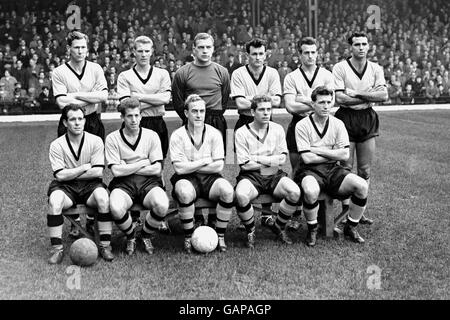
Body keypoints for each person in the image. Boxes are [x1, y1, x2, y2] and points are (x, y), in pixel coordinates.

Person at [294, 87, 368, 246]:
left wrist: (316, 149)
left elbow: (344, 155)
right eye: (321, 102)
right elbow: (306, 158)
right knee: (310, 190)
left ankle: (351, 226)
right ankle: (312, 228)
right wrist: (331, 151)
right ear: (313, 104)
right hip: (309, 171)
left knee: (361, 186)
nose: (326, 106)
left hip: (332, 169)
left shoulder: (338, 124)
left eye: (329, 102)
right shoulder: (302, 125)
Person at [171, 32, 231, 228]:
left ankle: (215, 216)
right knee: (190, 166)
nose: (205, 51)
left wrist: (212, 118)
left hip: (215, 119)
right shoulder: (182, 73)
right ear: (194, 50)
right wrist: (192, 119)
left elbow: (225, 98)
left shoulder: (222, 72)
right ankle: (195, 214)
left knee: (217, 167)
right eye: (201, 47)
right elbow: (179, 101)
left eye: (209, 47)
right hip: (193, 118)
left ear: (213, 49)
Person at [46, 104, 114, 264]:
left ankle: (105, 246)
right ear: (65, 123)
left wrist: (70, 172)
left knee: (103, 198)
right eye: (72, 119)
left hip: (90, 186)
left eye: (80, 119)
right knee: (55, 201)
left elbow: (97, 172)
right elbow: (60, 176)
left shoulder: (96, 141)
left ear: (84, 121)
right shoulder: (56, 145)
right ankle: (57, 250)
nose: (77, 123)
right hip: (66, 188)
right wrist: (83, 167)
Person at [333, 32, 388, 224]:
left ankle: (359, 209)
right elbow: (340, 98)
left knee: (365, 170)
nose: (361, 47)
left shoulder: (375, 68)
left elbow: (383, 95)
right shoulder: (340, 68)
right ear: (350, 47)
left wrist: (356, 93)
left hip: (367, 117)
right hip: (345, 117)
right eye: (357, 44)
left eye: (364, 44)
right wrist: (369, 94)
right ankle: (346, 210)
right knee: (345, 168)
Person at [169, 94, 234, 253]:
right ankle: (188, 237)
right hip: (186, 179)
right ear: (186, 113)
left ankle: (219, 235)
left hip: (210, 178)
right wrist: (204, 161)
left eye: (202, 111)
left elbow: (218, 166)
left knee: (227, 191)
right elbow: (179, 170)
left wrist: (190, 165)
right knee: (184, 193)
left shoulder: (214, 133)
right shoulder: (178, 135)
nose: (199, 115)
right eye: (194, 111)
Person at [234, 95, 301, 249]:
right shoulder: (240, 132)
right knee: (241, 195)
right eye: (262, 110)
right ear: (252, 112)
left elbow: (282, 160)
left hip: (273, 174)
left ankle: (278, 226)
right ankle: (250, 230)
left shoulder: (277, 129)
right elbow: (245, 165)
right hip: (251, 176)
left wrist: (256, 158)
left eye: (269, 109)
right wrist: (270, 159)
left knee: (294, 192)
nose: (266, 113)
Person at [105, 98, 169, 256]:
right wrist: (143, 162)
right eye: (129, 116)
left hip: (148, 183)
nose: (134, 120)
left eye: (136, 115)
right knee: (116, 207)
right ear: (122, 117)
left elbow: (157, 169)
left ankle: (146, 235)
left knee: (162, 205)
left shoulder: (152, 135)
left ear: (141, 116)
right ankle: (131, 236)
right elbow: (116, 172)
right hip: (123, 184)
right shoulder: (112, 138)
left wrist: (126, 165)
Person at [230, 38, 282, 228]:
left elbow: (277, 101)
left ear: (266, 54)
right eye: (254, 53)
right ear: (247, 55)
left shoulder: (273, 73)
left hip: (267, 122)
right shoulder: (238, 73)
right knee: (247, 166)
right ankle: (249, 211)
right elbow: (240, 104)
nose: (258, 57)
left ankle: (267, 213)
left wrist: (252, 101)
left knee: (269, 163)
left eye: (261, 54)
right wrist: (263, 100)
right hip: (244, 122)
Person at [283, 37, 334, 229]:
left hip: (321, 127)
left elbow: (329, 104)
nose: (310, 56)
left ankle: (319, 214)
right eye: (306, 52)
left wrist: (304, 101)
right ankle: (295, 214)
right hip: (298, 126)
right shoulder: (291, 77)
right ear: (299, 54)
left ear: (317, 53)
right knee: (297, 169)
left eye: (313, 52)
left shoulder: (327, 75)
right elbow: (289, 106)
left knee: (321, 168)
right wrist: (315, 105)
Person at [117, 35, 171, 159]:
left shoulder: (162, 74)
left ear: (151, 52)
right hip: (134, 123)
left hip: (157, 122)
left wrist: (138, 97)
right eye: (140, 51)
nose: (143, 54)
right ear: (134, 52)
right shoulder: (124, 76)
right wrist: (157, 100)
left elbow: (165, 99)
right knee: (134, 163)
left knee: (158, 165)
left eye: (147, 51)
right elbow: (126, 107)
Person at [52, 30, 108, 140]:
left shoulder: (95, 68)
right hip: (70, 121)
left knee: (95, 156)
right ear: (69, 49)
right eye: (77, 47)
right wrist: (92, 97)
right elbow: (62, 103)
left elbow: (103, 96)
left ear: (87, 49)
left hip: (92, 121)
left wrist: (75, 95)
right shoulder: (59, 72)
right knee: (69, 157)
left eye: (83, 47)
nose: (80, 51)